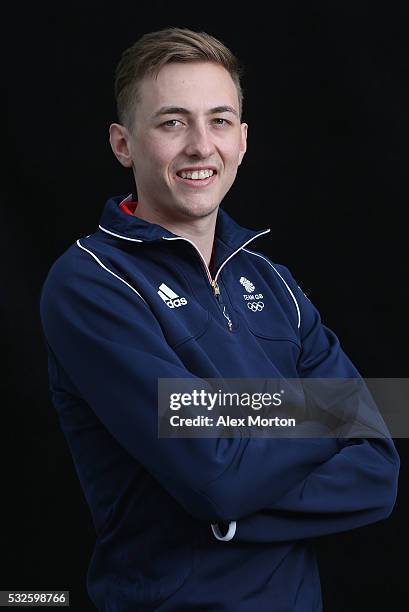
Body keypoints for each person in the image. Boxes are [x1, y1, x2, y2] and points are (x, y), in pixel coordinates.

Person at [40, 27, 399, 611]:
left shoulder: (272, 280)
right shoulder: (89, 283)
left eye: (220, 120)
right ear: (123, 144)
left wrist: (228, 512)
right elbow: (216, 474)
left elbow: (378, 473)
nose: (201, 146)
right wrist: (324, 411)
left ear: (242, 140)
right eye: (172, 122)